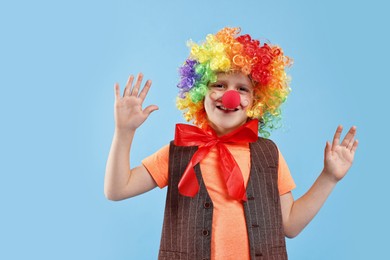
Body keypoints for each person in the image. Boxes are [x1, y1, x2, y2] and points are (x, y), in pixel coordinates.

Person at [104, 27, 358, 260]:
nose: (230, 95)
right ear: (199, 91)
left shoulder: (268, 154)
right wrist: (124, 132)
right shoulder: (179, 150)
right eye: (219, 85)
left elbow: (290, 225)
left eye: (242, 89)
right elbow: (117, 190)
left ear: (257, 100)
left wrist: (329, 177)